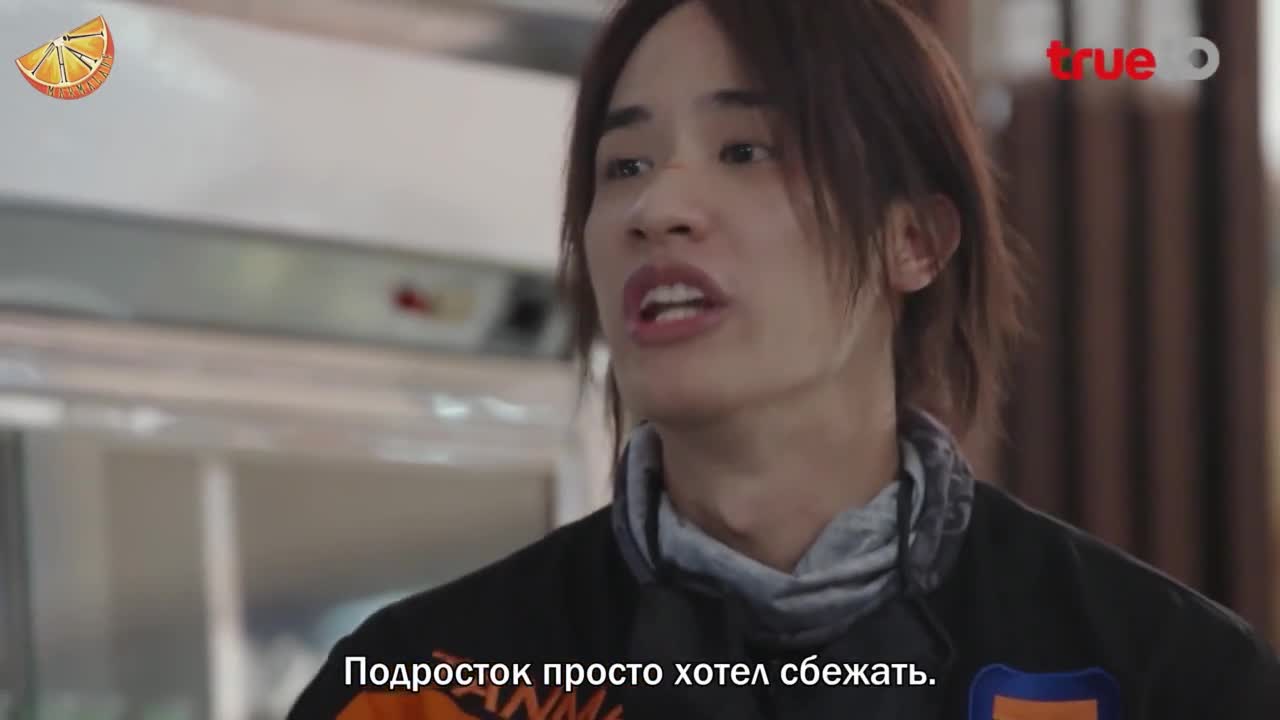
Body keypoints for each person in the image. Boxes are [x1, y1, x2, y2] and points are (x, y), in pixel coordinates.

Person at [289, 1, 1280, 717]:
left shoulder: (1163, 675)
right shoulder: (422, 687)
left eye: (746, 150)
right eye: (622, 166)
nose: (656, 208)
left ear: (914, 241)